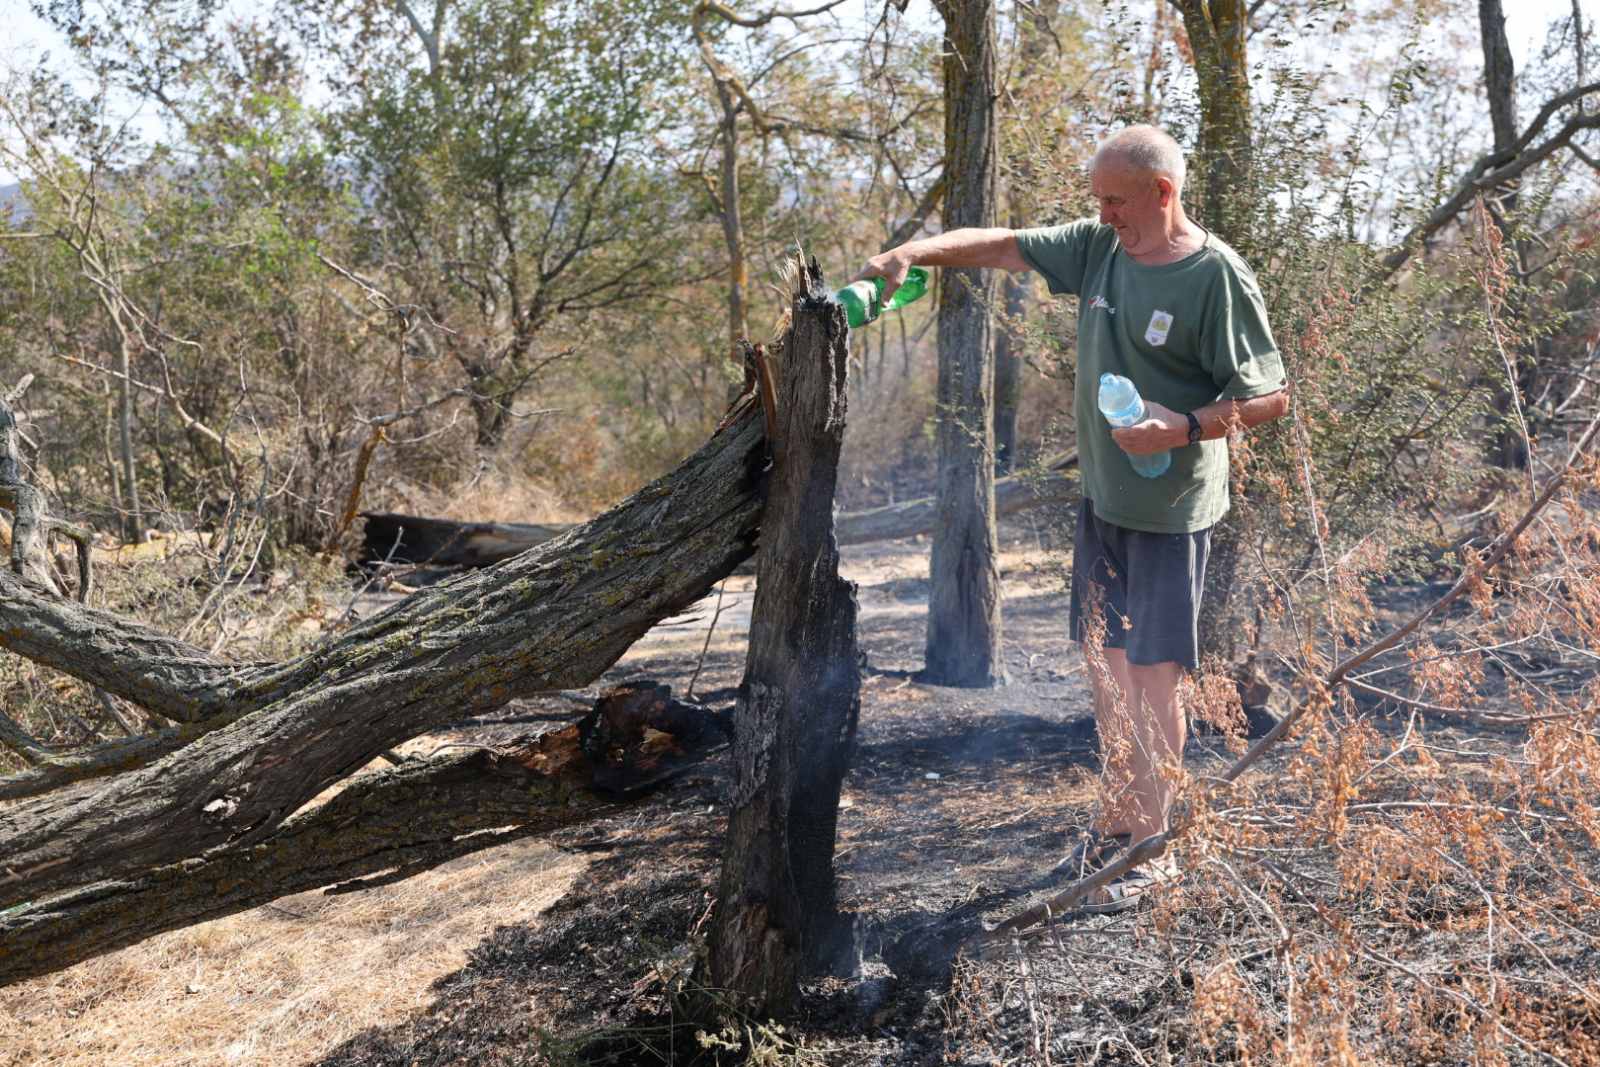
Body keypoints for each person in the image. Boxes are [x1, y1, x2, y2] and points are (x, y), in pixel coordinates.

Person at [852, 125, 1289, 913]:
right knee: (1104, 663)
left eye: (1115, 199)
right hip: (1105, 503)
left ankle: (1156, 844)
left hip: (1171, 510)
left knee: (1155, 677)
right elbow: (1001, 246)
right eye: (1097, 200)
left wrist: (1180, 427)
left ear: (1163, 193)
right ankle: (1120, 819)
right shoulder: (1098, 248)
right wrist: (916, 251)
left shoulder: (1214, 276)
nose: (1103, 212)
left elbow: (1268, 397)